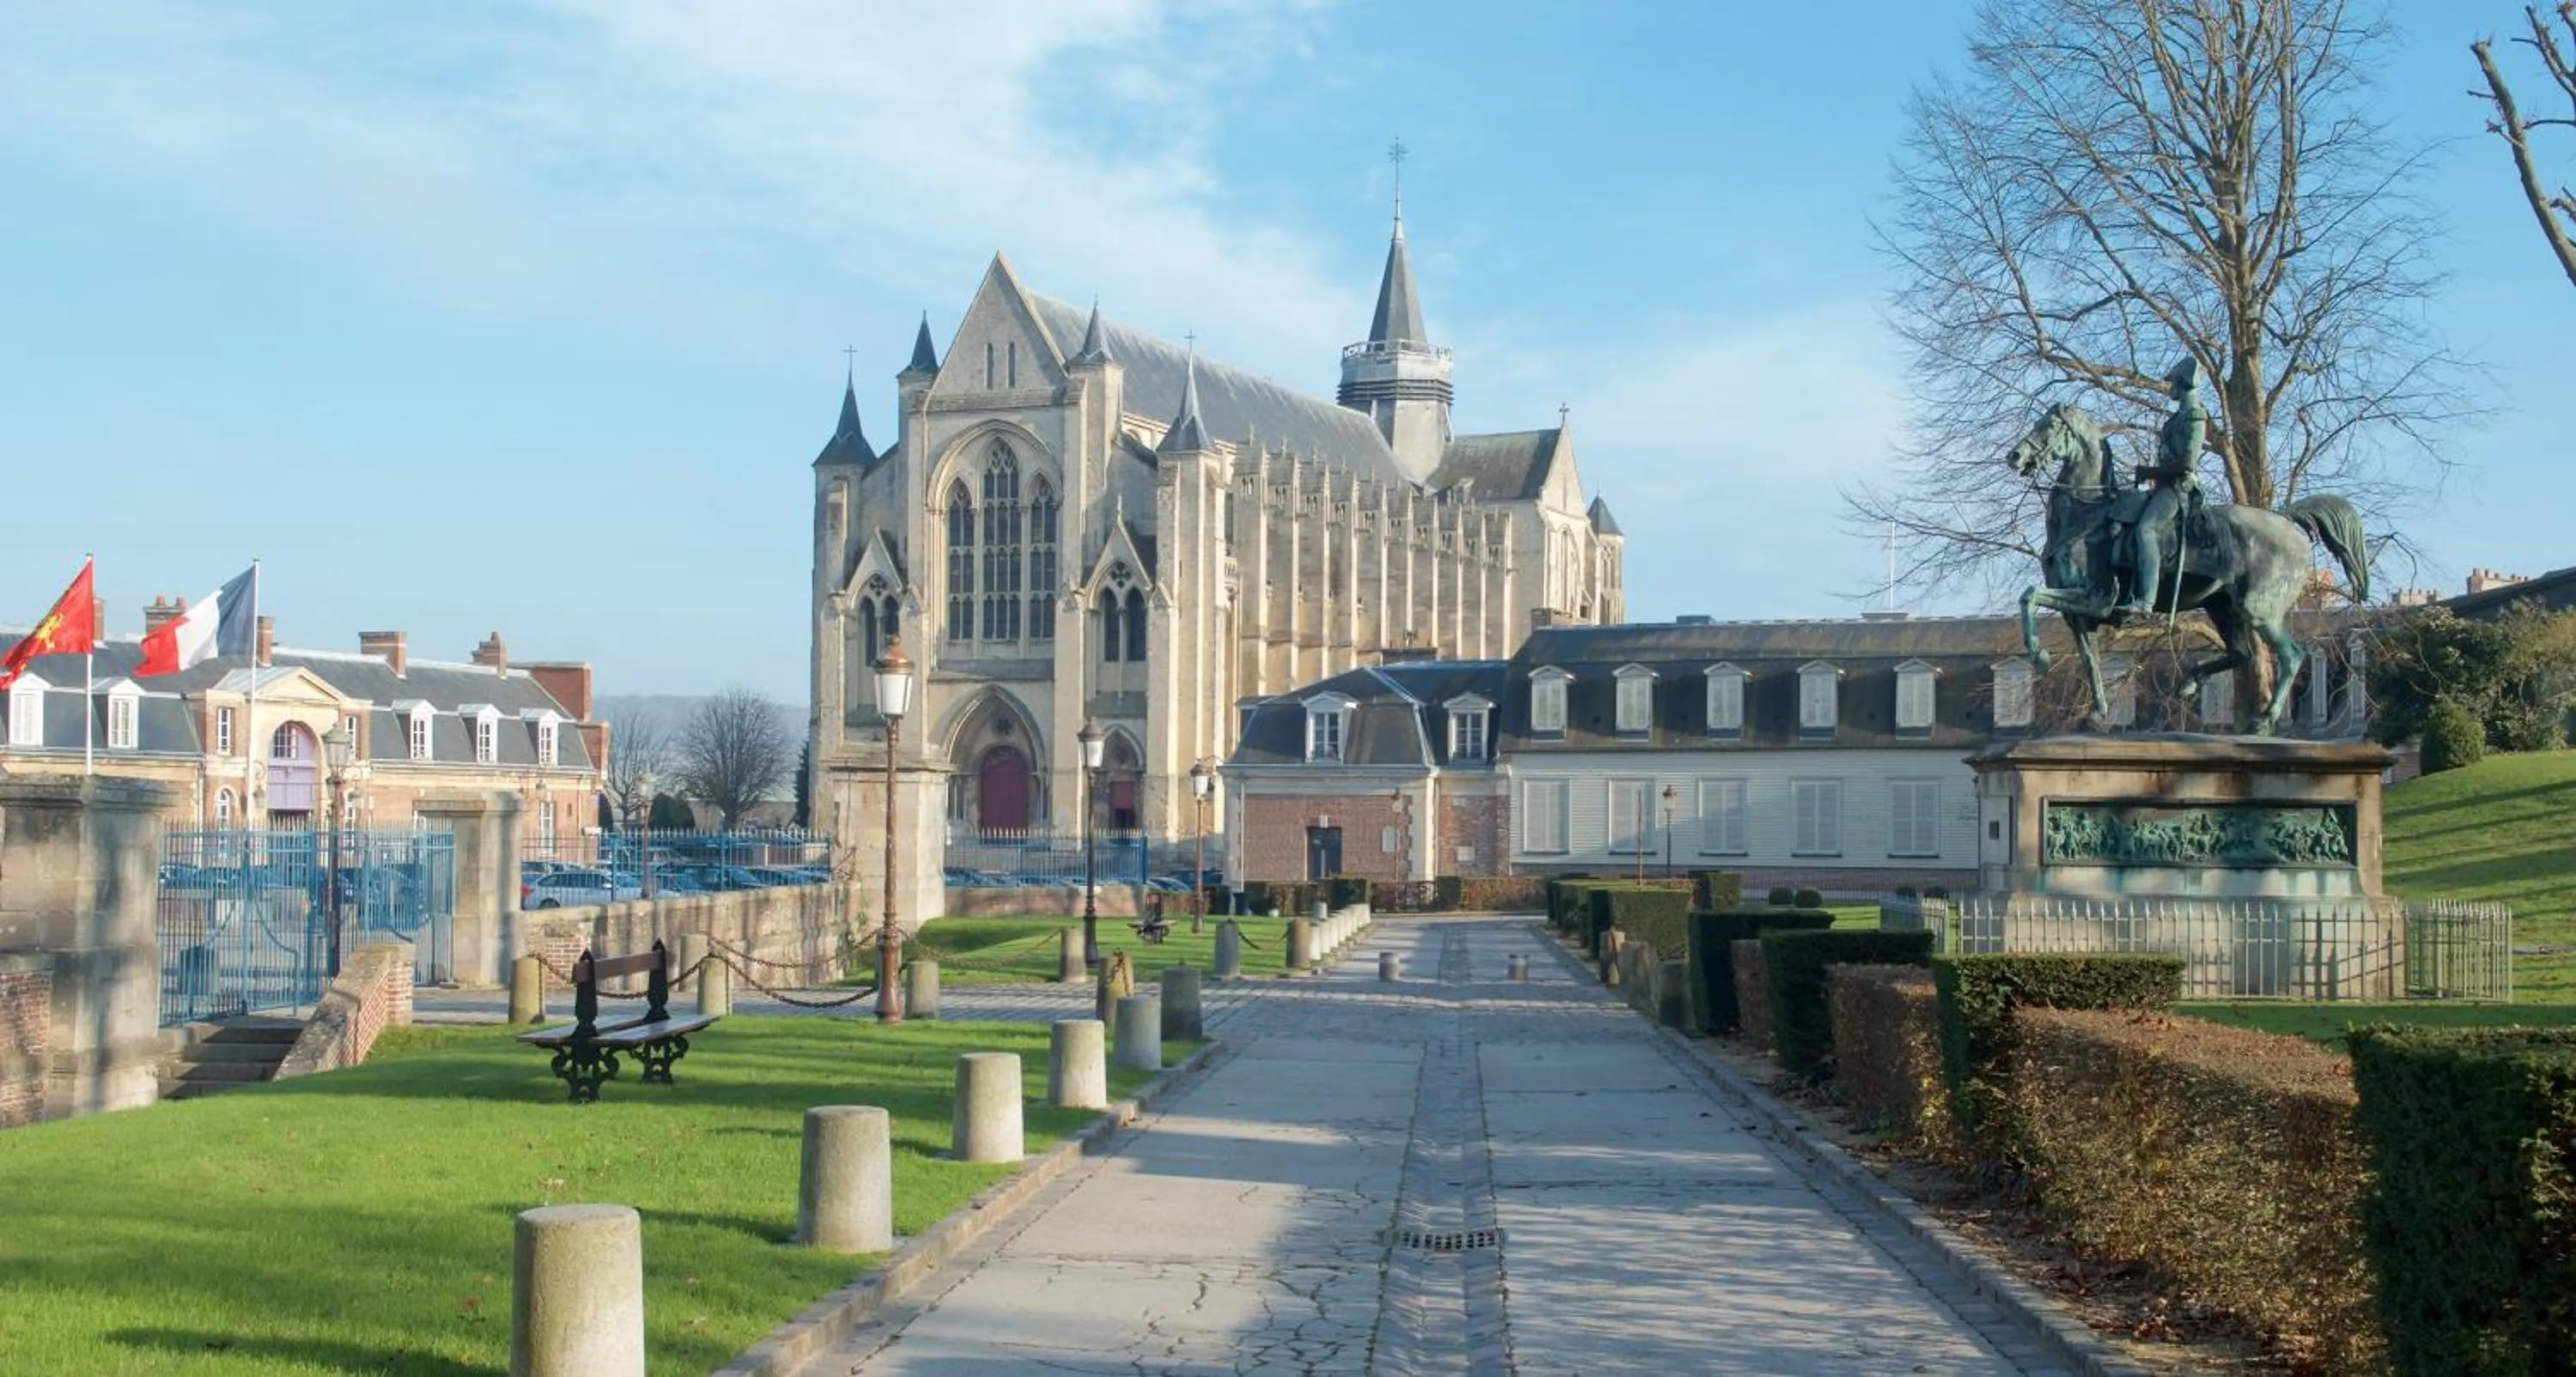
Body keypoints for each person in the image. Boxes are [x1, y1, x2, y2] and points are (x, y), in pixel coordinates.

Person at [2113, 356, 2205, 618]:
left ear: (2184, 383)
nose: (2170, 387)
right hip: (2161, 487)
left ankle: (2146, 601)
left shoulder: (2195, 415)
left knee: (2146, 530)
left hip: (2178, 490)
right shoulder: (2177, 417)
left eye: (2174, 382)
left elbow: (2187, 462)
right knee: (2120, 515)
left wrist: (2150, 472)